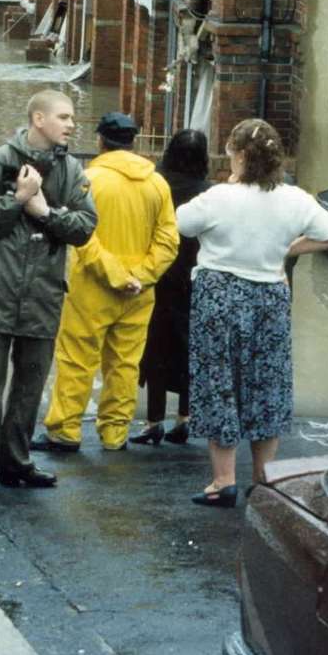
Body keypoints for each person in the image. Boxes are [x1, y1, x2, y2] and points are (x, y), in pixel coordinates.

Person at [175, 119, 328, 508]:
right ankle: (265, 479)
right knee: (267, 384)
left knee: (219, 381)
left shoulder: (218, 197)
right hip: (269, 294)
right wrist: (287, 250)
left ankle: (223, 480)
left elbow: (182, 224)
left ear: (239, 155)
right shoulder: (295, 199)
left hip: (219, 295)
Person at [0, 90, 98, 500]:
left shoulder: (72, 170)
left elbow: (86, 226)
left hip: (42, 293)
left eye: (72, 118)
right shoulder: (0, 160)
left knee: (30, 384)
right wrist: (17, 199)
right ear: (39, 119)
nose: (72, 125)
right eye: (64, 117)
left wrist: (45, 212)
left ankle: (15, 462)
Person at [38, 113, 178, 453]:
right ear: (134, 141)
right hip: (140, 292)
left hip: (92, 286)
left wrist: (115, 274)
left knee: (76, 358)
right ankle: (115, 433)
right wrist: (140, 277)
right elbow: (168, 241)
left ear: (101, 140)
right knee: (125, 363)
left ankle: (65, 430)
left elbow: (82, 235)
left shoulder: (88, 180)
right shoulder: (157, 183)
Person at [131, 129, 212, 446]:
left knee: (155, 348)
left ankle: (153, 421)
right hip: (195, 277)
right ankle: (185, 418)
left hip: (158, 275)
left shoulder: (155, 185)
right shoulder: (208, 192)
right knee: (189, 346)